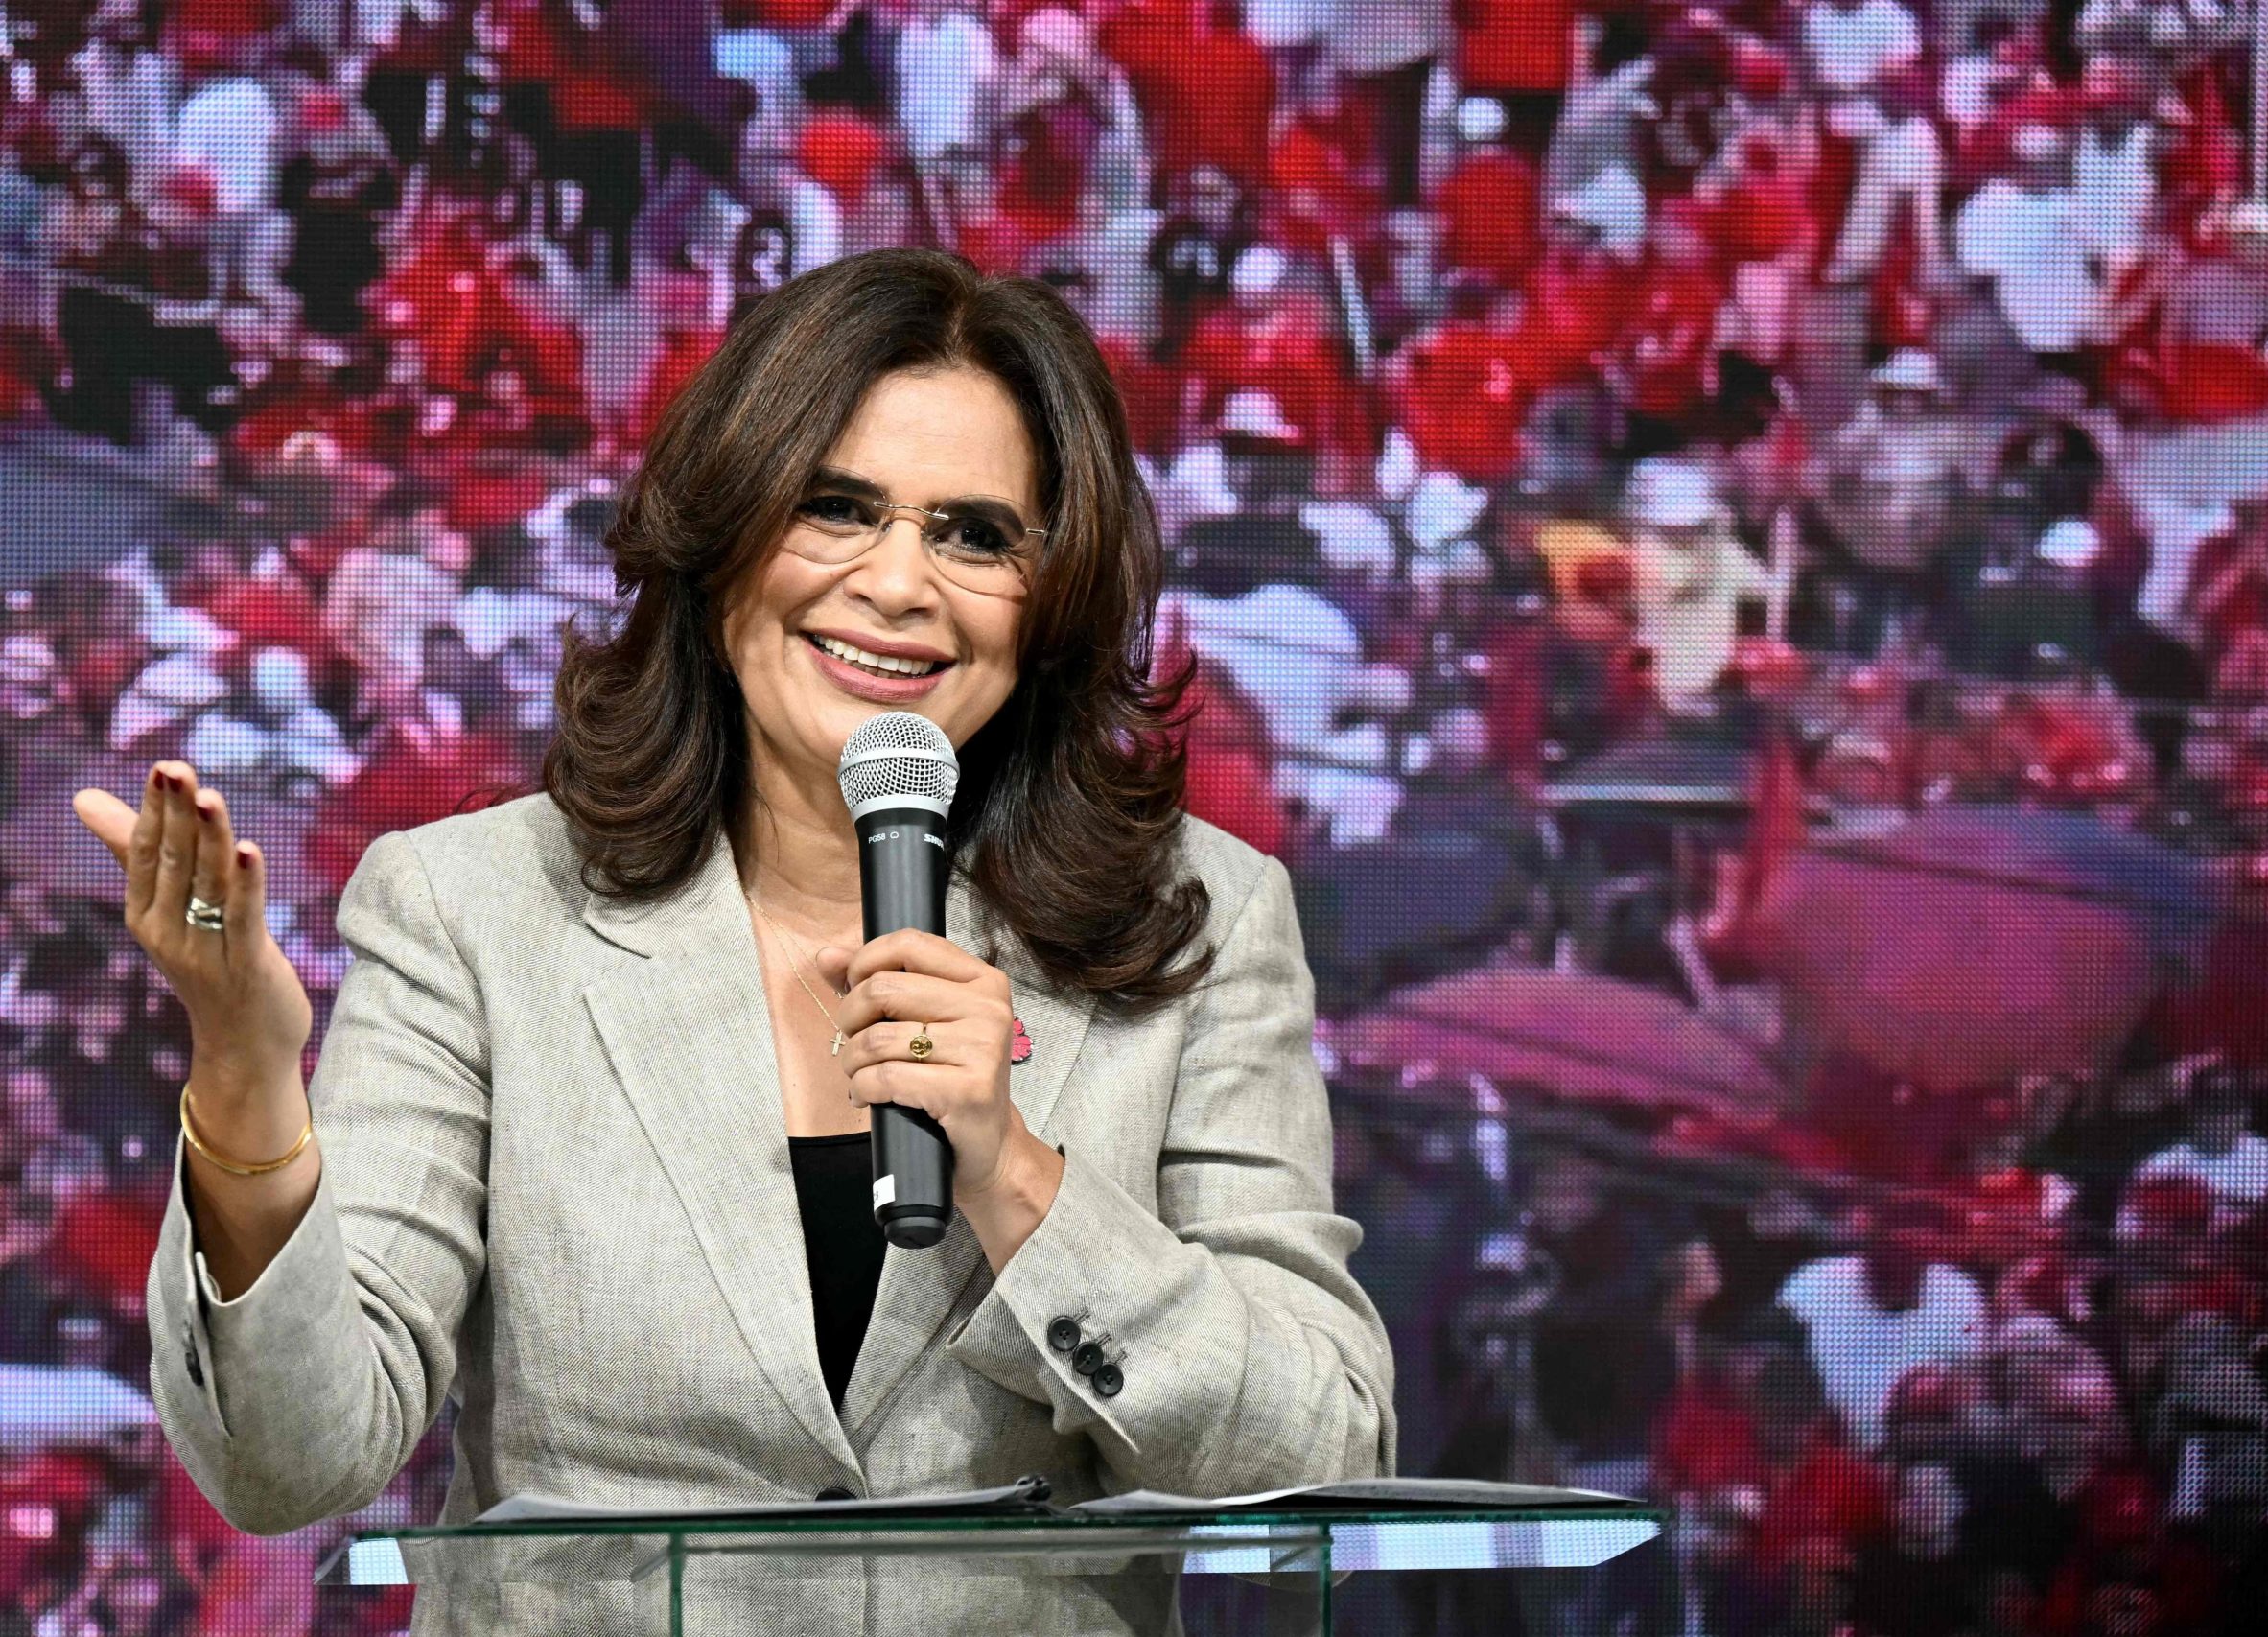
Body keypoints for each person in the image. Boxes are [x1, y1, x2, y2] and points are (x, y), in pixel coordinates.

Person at [72, 248, 1396, 1633]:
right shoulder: (474, 910)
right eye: (837, 509)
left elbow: (1316, 1456)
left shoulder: (1199, 919)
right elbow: (288, 1464)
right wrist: (242, 1074)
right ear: (722, 540)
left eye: (976, 534)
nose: (898, 584)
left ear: (1051, 597)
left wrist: (1017, 1177)